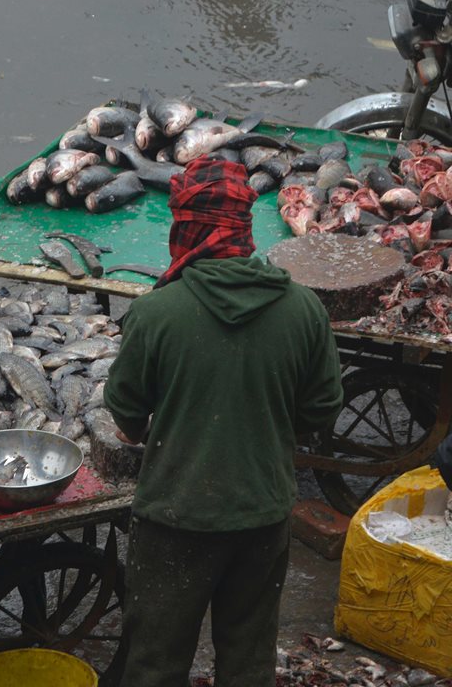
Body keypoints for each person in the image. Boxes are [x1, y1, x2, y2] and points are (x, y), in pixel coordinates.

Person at [103, 158, 344, 687]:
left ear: (183, 226)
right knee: (248, 660)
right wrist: (270, 425)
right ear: (244, 228)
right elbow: (323, 408)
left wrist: (156, 427)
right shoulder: (304, 309)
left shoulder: (155, 314)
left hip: (174, 522)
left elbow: (126, 414)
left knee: (155, 665)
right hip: (262, 517)